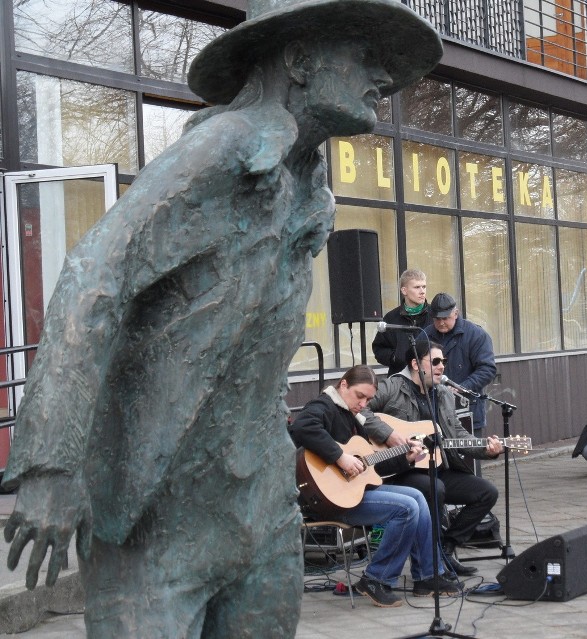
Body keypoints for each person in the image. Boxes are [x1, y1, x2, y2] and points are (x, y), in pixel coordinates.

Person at [0, 1, 442, 635]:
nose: (384, 78)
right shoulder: (224, 148)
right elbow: (93, 280)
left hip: (257, 503)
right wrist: (49, 466)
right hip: (160, 506)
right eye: (364, 53)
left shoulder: (312, 185)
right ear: (300, 58)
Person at [288, 365, 460, 607]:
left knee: (418, 497)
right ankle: (376, 579)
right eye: (360, 396)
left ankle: (428, 577)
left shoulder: (353, 417)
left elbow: (371, 470)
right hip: (330, 500)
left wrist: (405, 459)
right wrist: (340, 456)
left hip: (353, 493)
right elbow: (301, 427)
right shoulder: (323, 406)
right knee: (407, 507)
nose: (363, 404)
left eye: (368, 399)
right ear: (344, 385)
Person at [363, 341, 503, 578]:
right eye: (435, 361)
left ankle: (445, 548)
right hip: (400, 469)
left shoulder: (444, 394)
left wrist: (487, 450)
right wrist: (389, 434)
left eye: (444, 362)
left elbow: (457, 433)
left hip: (436, 466)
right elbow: (360, 409)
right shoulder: (392, 386)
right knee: (434, 489)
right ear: (415, 364)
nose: (441, 367)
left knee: (486, 492)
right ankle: (432, 564)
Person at [425, 292, 497, 434]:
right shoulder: (425, 335)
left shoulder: (476, 335)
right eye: (436, 319)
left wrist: (461, 388)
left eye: (445, 318)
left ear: (456, 313)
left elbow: (487, 369)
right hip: (433, 413)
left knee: (470, 453)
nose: (441, 323)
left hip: (468, 409)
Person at [373, 269, 431, 375]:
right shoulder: (391, 318)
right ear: (404, 291)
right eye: (417, 287)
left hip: (430, 378)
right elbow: (379, 349)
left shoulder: (434, 315)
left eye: (424, 286)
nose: (422, 291)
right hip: (400, 379)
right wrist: (395, 358)